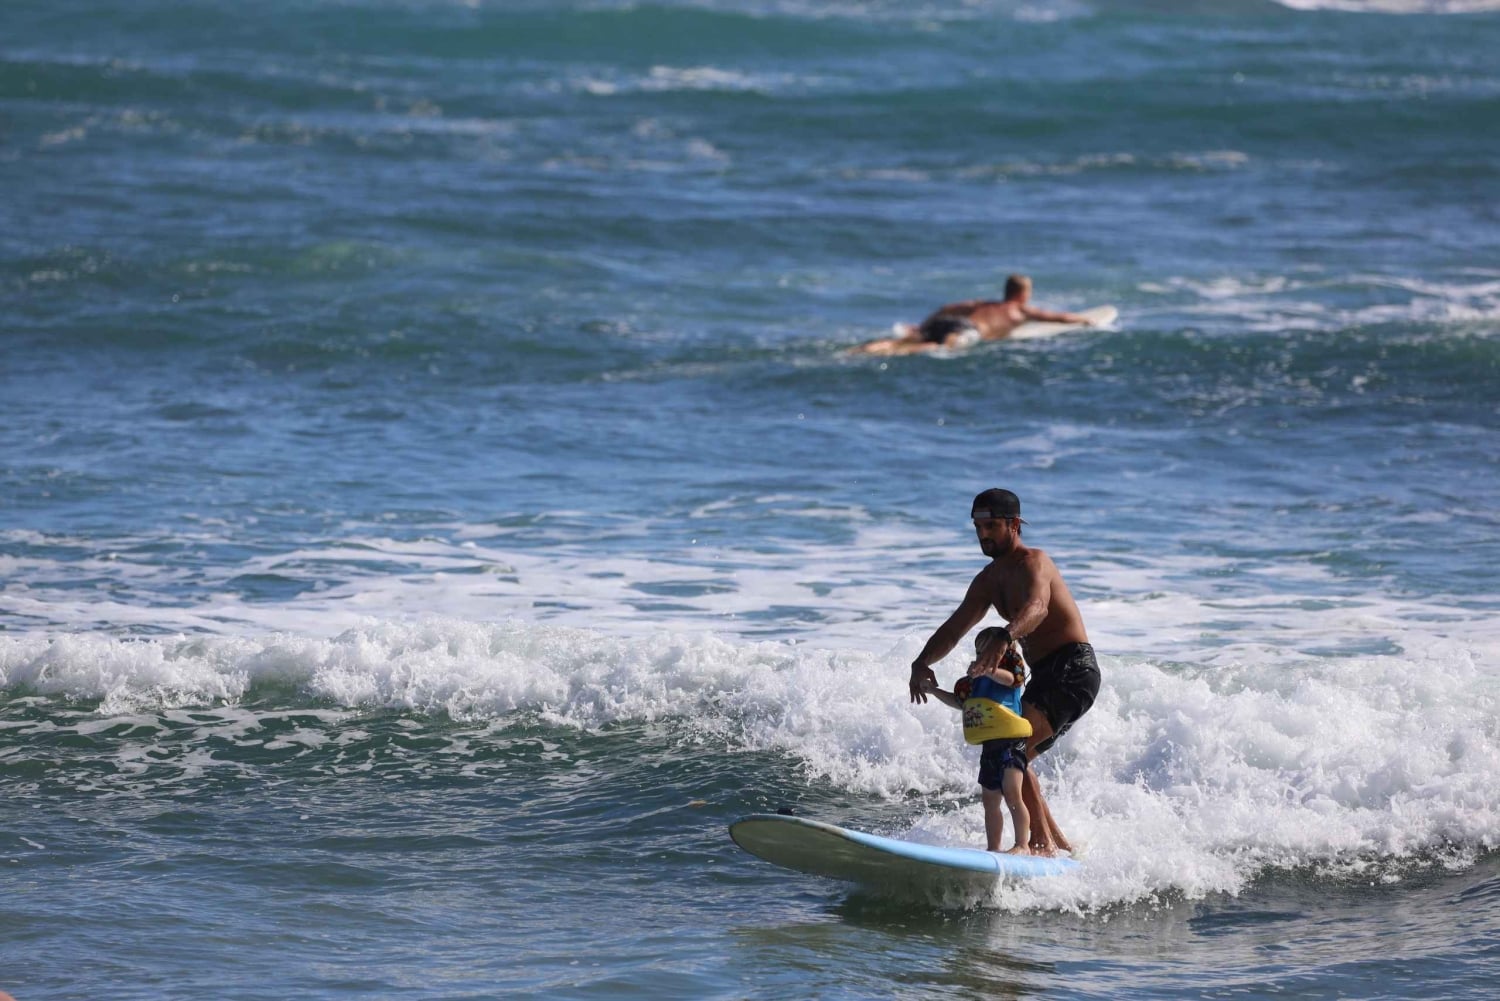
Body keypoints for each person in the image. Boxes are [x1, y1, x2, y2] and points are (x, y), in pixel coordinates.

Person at [908, 488, 1102, 855]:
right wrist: (922, 663)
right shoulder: (988, 580)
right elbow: (953, 629)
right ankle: (1060, 847)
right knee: (1016, 753)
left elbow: (1038, 607)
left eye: (992, 525)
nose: (983, 534)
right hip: (1044, 675)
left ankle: (1038, 846)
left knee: (1016, 749)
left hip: (1074, 668)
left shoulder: (1035, 562)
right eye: (978, 526)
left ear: (1014, 525)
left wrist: (1004, 636)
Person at [921, 626, 1032, 854]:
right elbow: (959, 702)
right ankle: (994, 849)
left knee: (1012, 793)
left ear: (1003, 652)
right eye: (979, 653)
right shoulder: (973, 683)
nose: (982, 658)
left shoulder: (1009, 669)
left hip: (1011, 741)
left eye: (988, 652)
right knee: (990, 801)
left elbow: (1011, 680)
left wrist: (988, 670)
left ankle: (1022, 845)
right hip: (990, 744)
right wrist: (933, 691)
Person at [849, 274, 1096, 356]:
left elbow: (946, 308)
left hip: (945, 321)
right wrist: (1085, 319)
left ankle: (864, 350)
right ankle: (902, 353)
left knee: (900, 341)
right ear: (1022, 294)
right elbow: (1058, 317)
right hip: (964, 330)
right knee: (939, 348)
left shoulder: (981, 304)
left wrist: (922, 326)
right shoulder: (1018, 310)